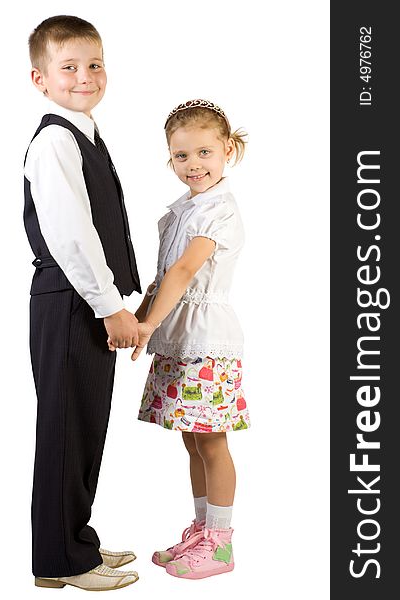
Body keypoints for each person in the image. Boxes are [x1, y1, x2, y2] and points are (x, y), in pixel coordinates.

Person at [23, 15, 141, 592]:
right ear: (39, 78)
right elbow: (72, 235)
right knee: (66, 429)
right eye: (68, 67)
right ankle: (61, 562)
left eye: (93, 64)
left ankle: (75, 542)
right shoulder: (54, 140)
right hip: (71, 303)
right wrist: (109, 305)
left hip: (84, 303)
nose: (84, 76)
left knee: (83, 426)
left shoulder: (84, 131)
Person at [128, 99, 250, 580]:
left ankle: (221, 543)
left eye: (204, 153)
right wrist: (141, 316)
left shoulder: (218, 209)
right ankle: (202, 529)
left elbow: (184, 270)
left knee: (212, 442)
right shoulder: (184, 208)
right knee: (192, 440)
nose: (193, 165)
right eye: (182, 156)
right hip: (180, 335)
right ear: (170, 158)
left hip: (205, 338)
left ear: (227, 151)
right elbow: (163, 278)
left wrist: (148, 324)